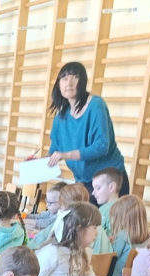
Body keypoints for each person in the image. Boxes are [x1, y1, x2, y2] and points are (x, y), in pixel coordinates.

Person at [45, 62, 129, 199]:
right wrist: (33, 164)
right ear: (58, 84)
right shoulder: (60, 117)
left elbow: (101, 146)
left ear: (83, 81)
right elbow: (54, 151)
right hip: (83, 182)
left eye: (75, 77)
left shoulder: (96, 105)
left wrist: (66, 155)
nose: (69, 83)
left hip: (108, 181)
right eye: (64, 78)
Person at [28, 203, 115, 276]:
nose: (97, 233)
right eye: (94, 228)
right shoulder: (52, 252)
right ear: (79, 230)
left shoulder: (84, 252)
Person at [29, 182, 89, 249]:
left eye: (62, 203)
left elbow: (42, 240)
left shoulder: (64, 219)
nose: (60, 206)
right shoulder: (68, 217)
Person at [105, 195, 149, 276]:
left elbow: (109, 257)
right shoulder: (147, 240)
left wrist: (108, 244)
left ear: (121, 219)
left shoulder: (123, 236)